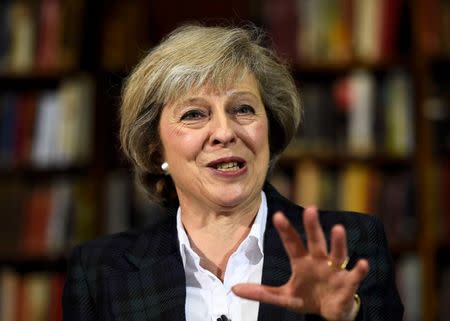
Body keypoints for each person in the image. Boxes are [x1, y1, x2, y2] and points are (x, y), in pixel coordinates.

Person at [62, 24, 403, 321]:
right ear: (155, 149)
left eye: (243, 109)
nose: (225, 132)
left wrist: (347, 315)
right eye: (194, 114)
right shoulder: (100, 271)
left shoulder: (349, 244)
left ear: (270, 130)